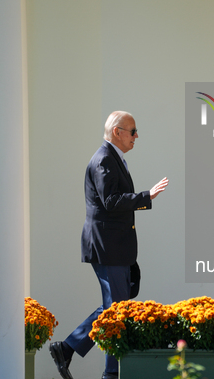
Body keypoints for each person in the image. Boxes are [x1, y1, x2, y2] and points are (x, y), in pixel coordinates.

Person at [49, 111, 168, 379]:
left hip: (115, 246)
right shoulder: (104, 159)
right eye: (133, 130)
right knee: (117, 311)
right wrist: (146, 196)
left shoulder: (113, 158)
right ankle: (108, 371)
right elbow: (111, 201)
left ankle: (72, 352)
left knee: (115, 308)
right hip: (107, 246)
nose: (137, 136)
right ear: (117, 132)